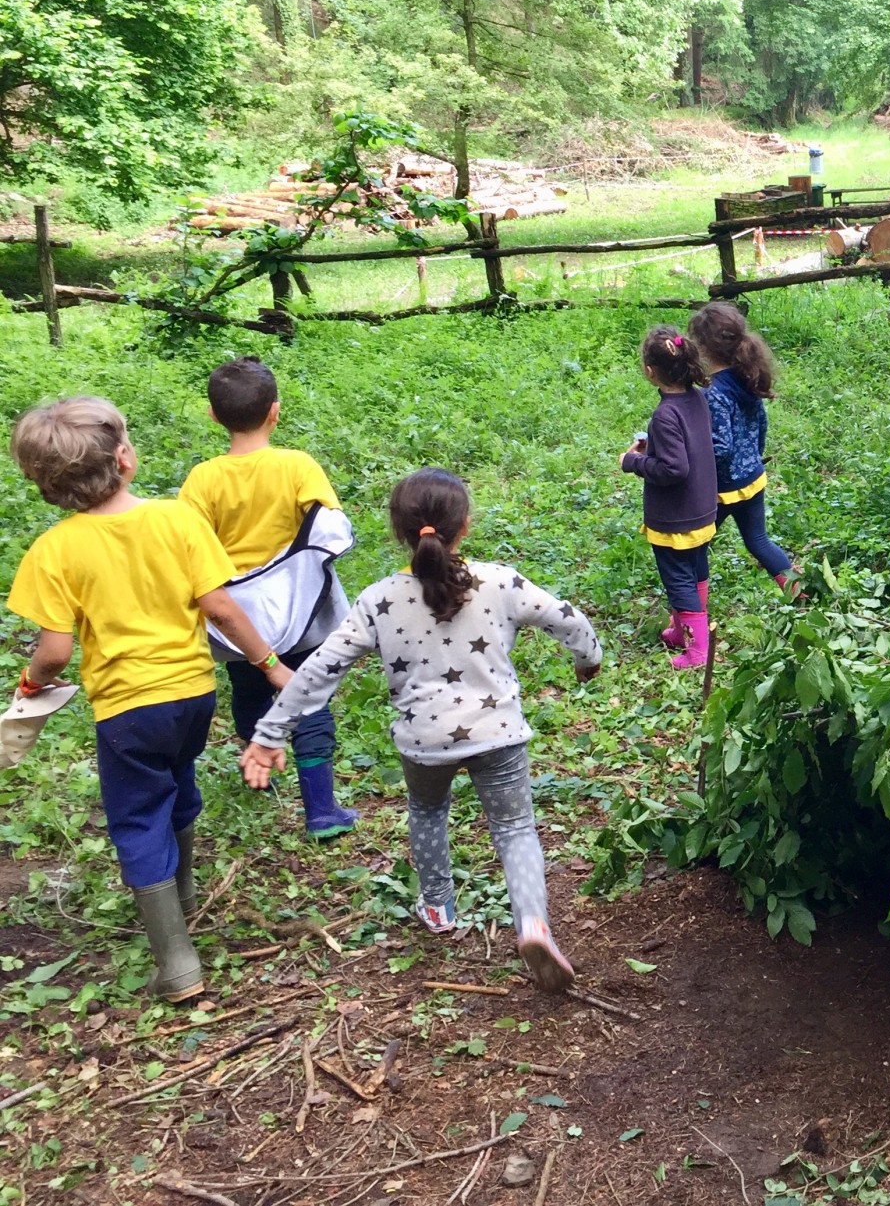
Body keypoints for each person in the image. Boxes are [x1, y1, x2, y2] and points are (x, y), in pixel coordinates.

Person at [239, 468, 601, 992]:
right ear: (466, 526)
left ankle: (437, 906)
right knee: (515, 828)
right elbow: (567, 618)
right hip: (497, 734)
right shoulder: (501, 582)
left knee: (428, 811)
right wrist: (587, 659)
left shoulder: (378, 599)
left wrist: (272, 731)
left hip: (423, 743)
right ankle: (532, 924)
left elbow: (320, 668)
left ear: (399, 531)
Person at [7, 397, 291, 1002]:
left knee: (136, 816)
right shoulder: (179, 521)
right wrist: (269, 665)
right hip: (193, 696)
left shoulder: (54, 552)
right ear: (125, 459)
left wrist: (30, 685)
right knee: (179, 781)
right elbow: (219, 607)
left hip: (126, 708)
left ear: (45, 486)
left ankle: (177, 960)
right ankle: (182, 898)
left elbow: (54, 652)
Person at [181, 356, 357, 838]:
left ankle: (259, 762)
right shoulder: (297, 465)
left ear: (214, 416)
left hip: (239, 616)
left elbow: (187, 543)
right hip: (301, 610)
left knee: (249, 684)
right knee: (309, 696)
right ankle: (321, 809)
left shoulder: (202, 479)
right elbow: (328, 523)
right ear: (275, 412)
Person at [619, 327, 717, 670]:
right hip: (702, 509)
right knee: (696, 570)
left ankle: (697, 651)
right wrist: (655, 448)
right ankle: (682, 630)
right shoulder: (696, 400)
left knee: (678, 580)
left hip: (675, 519)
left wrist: (633, 462)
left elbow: (675, 469)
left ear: (650, 371)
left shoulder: (664, 415)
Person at [687, 303, 799, 600]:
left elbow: (720, 448)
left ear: (702, 348)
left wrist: (691, 462)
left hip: (723, 490)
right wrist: (752, 457)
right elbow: (761, 424)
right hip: (753, 478)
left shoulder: (713, 393)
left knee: (695, 548)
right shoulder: (747, 377)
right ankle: (803, 593)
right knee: (759, 541)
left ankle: (692, 615)